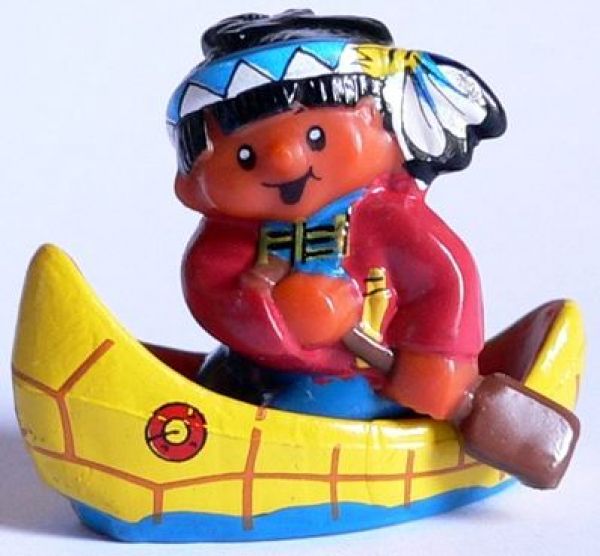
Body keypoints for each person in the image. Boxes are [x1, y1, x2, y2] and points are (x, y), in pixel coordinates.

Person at [167, 9, 506, 420]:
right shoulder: (226, 241)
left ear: (375, 121)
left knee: (306, 410)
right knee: (215, 384)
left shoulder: (388, 220)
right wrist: (269, 308)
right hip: (258, 363)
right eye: (245, 156)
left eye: (316, 137)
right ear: (193, 184)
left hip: (356, 378)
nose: (286, 162)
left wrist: (437, 364)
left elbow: (446, 281)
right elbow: (210, 290)